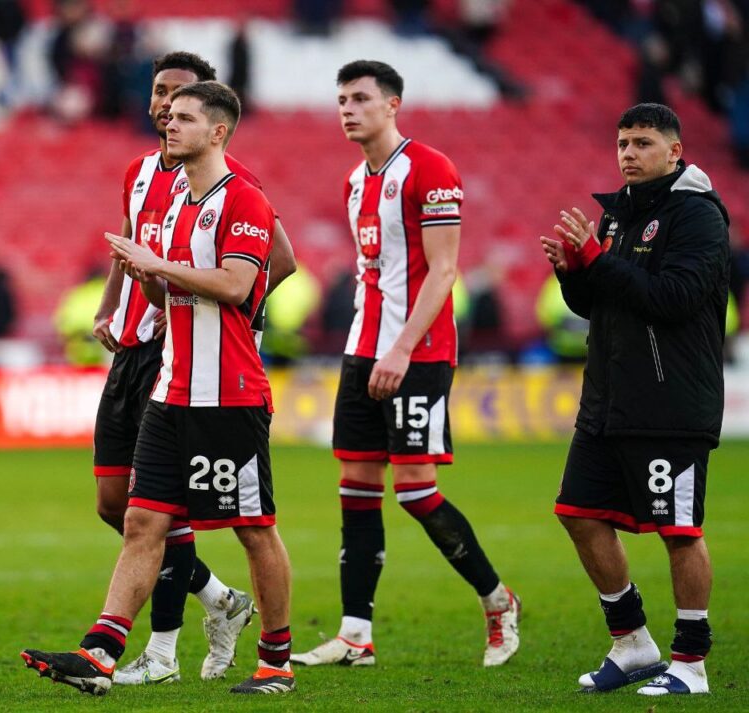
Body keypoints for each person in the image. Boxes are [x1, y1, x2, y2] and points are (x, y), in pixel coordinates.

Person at [21, 81, 295, 696]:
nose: (169, 125)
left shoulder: (243, 201)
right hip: (171, 391)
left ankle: (276, 661)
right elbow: (160, 298)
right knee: (143, 521)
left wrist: (158, 265)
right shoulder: (173, 204)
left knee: (253, 527)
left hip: (228, 394)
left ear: (218, 131)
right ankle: (101, 652)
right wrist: (147, 273)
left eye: (185, 118)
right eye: (168, 117)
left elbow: (233, 284)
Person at [291, 60, 520, 670]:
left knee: (417, 491)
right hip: (361, 349)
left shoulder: (431, 169)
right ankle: (355, 635)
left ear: (392, 105)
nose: (348, 109)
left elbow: (444, 271)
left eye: (361, 98)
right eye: (341, 99)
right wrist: (370, 349)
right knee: (356, 489)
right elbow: (377, 274)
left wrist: (400, 349)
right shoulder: (354, 182)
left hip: (415, 352)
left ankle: (498, 600)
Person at [540, 103, 730, 696]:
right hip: (608, 400)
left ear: (675, 152)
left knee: (679, 531)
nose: (627, 152)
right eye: (622, 142)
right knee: (578, 513)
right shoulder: (619, 217)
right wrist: (576, 274)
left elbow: (673, 297)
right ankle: (632, 642)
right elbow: (604, 306)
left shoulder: (698, 217)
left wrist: (599, 262)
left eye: (643, 142)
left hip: (670, 404)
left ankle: (691, 664)